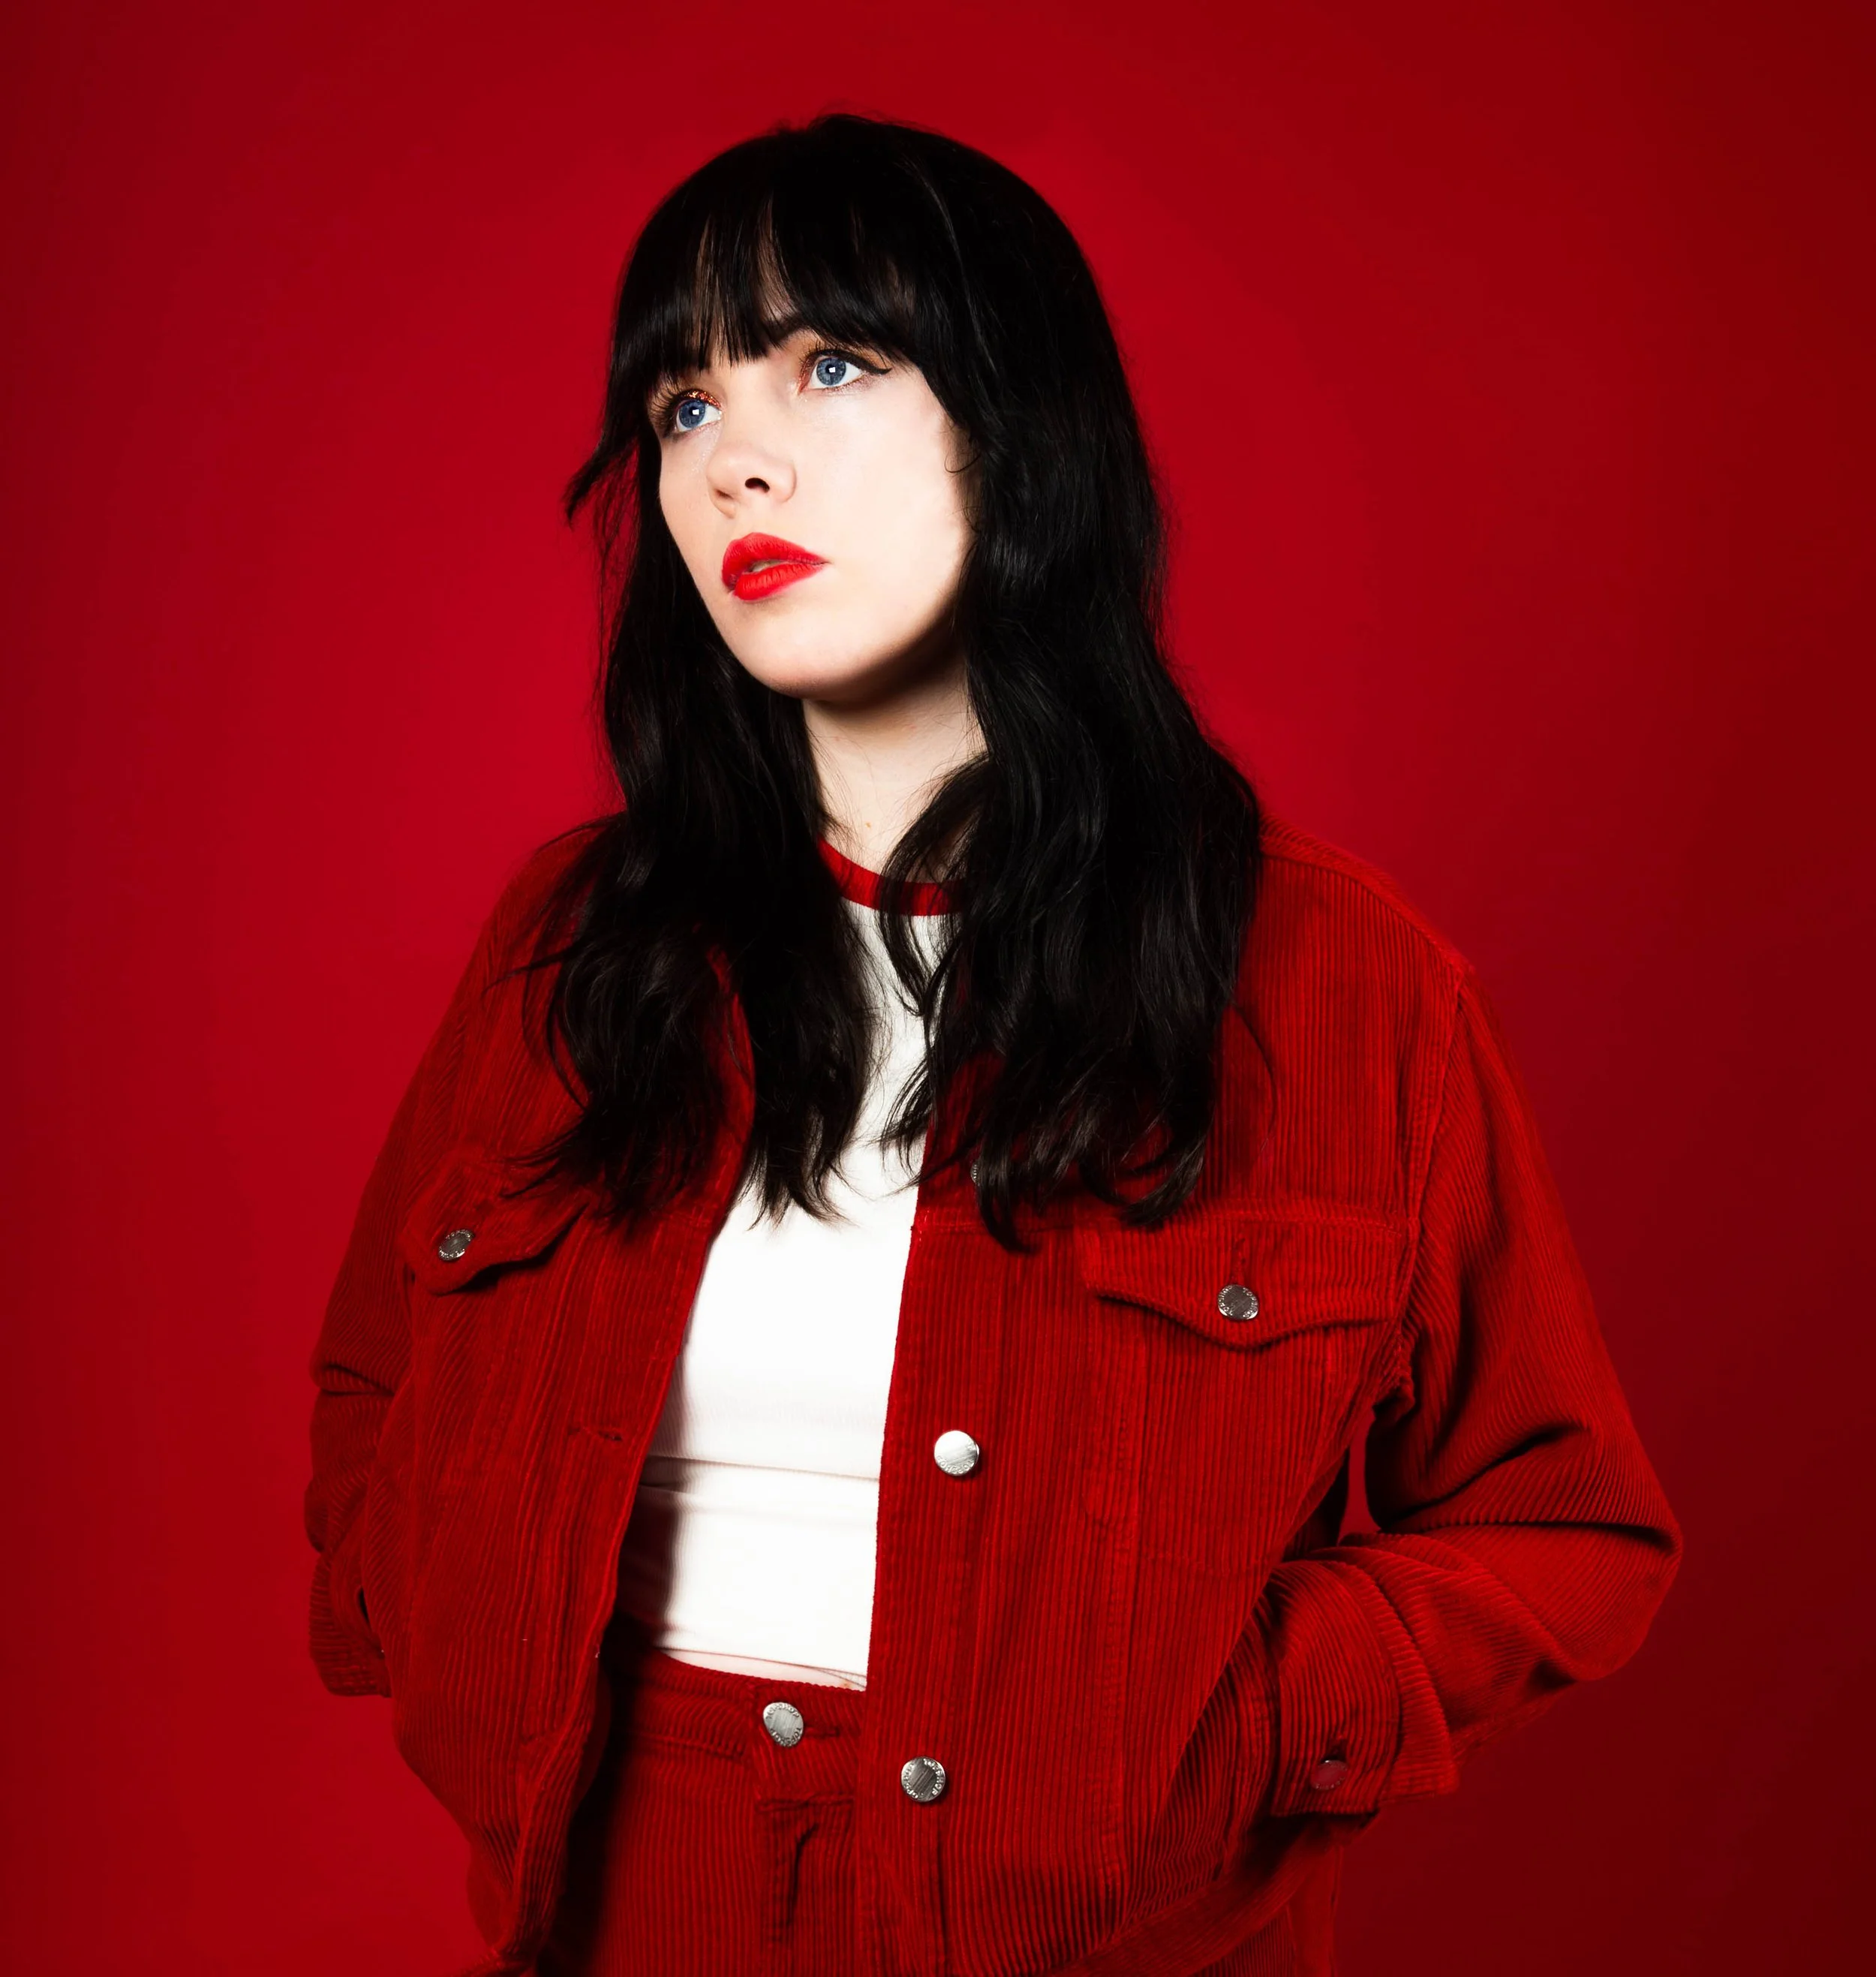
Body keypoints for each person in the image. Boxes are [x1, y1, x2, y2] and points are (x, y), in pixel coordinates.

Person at [303, 112, 1680, 1977]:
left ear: (1015, 426)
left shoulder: (1339, 979)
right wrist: (457, 1627)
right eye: (684, 407)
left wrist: (1225, 1714)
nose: (733, 463)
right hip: (625, 1899)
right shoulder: (570, 948)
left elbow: (1560, 1521)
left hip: (1105, 1930)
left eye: (833, 364)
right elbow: (375, 1399)